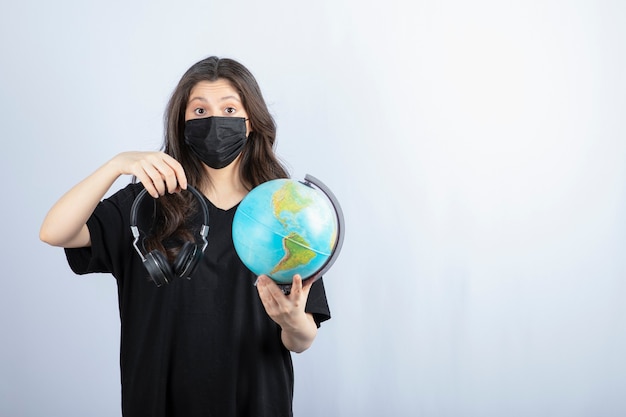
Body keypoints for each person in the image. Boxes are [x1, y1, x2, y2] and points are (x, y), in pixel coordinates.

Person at [39, 56, 331, 417]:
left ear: (250, 122)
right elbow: (54, 232)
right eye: (199, 110)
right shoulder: (146, 204)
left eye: (228, 108)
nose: (214, 121)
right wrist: (117, 165)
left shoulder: (286, 212)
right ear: (182, 123)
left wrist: (291, 322)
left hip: (256, 403)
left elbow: (302, 340)